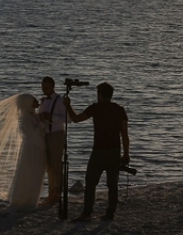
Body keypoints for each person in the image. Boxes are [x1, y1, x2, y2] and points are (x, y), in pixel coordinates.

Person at [65, 81, 130, 221]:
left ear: (100, 94)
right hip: (114, 151)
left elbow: (76, 119)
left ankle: (87, 213)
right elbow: (124, 135)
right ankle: (110, 213)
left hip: (99, 151)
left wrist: (68, 105)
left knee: (90, 183)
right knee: (112, 184)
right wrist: (126, 153)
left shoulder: (95, 108)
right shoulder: (119, 110)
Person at [6, 93, 48, 210]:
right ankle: (25, 200)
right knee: (29, 173)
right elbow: (33, 133)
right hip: (31, 149)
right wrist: (41, 121)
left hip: (37, 147)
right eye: (34, 101)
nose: (36, 102)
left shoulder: (32, 115)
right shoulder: (25, 118)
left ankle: (32, 199)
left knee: (36, 173)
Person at [37, 77, 67, 207]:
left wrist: (51, 117)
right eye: (43, 88)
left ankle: (56, 194)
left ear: (53, 86)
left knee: (56, 165)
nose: (44, 90)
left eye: (47, 87)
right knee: (49, 167)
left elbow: (68, 118)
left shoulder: (60, 100)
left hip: (56, 134)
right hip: (45, 135)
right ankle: (51, 194)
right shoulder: (43, 101)